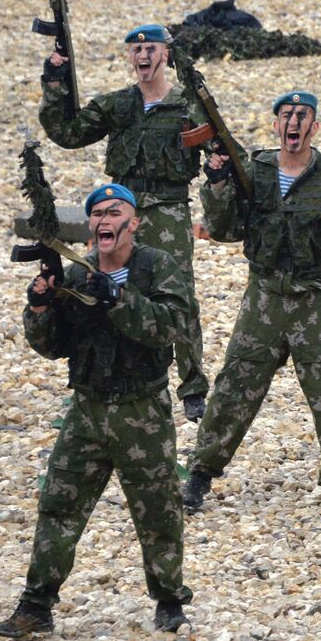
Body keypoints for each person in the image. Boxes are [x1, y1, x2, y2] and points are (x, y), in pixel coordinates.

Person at [182, 91, 321, 518]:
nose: (294, 123)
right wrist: (216, 183)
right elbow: (225, 229)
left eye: (303, 117)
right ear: (275, 125)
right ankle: (200, 473)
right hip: (263, 297)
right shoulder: (255, 170)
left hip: (314, 299)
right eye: (286, 116)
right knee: (234, 387)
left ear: (314, 128)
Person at [0, 184, 193, 640]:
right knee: (58, 506)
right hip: (86, 409)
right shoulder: (77, 275)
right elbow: (54, 346)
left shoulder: (157, 267)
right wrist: (40, 307)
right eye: (97, 214)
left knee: (158, 510)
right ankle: (36, 606)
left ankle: (168, 602)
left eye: (114, 211)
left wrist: (118, 299)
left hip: (141, 411)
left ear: (133, 222)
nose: (104, 220)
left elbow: (171, 328)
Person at [40, 22, 211, 420]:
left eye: (151, 49)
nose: (144, 57)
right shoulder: (119, 104)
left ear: (165, 54)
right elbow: (67, 132)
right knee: (110, 284)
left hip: (169, 207)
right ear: (130, 58)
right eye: (137, 51)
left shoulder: (189, 104)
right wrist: (55, 82)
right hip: (124, 204)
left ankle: (192, 385)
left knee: (177, 291)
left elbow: (221, 150)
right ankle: (108, 371)